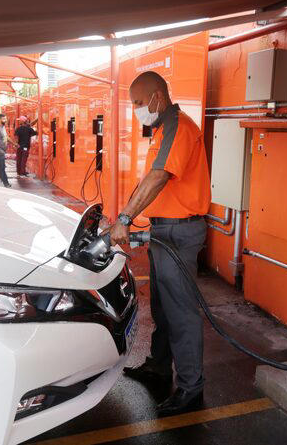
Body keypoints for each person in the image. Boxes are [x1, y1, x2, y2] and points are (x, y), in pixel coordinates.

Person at [108, 71, 211, 416]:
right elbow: (149, 180)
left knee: (181, 313)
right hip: (164, 231)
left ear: (157, 97)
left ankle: (190, 389)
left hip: (179, 234)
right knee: (164, 308)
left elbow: (158, 176)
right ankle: (158, 365)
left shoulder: (178, 127)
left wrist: (124, 219)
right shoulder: (163, 130)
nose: (136, 109)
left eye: (139, 103)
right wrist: (125, 215)